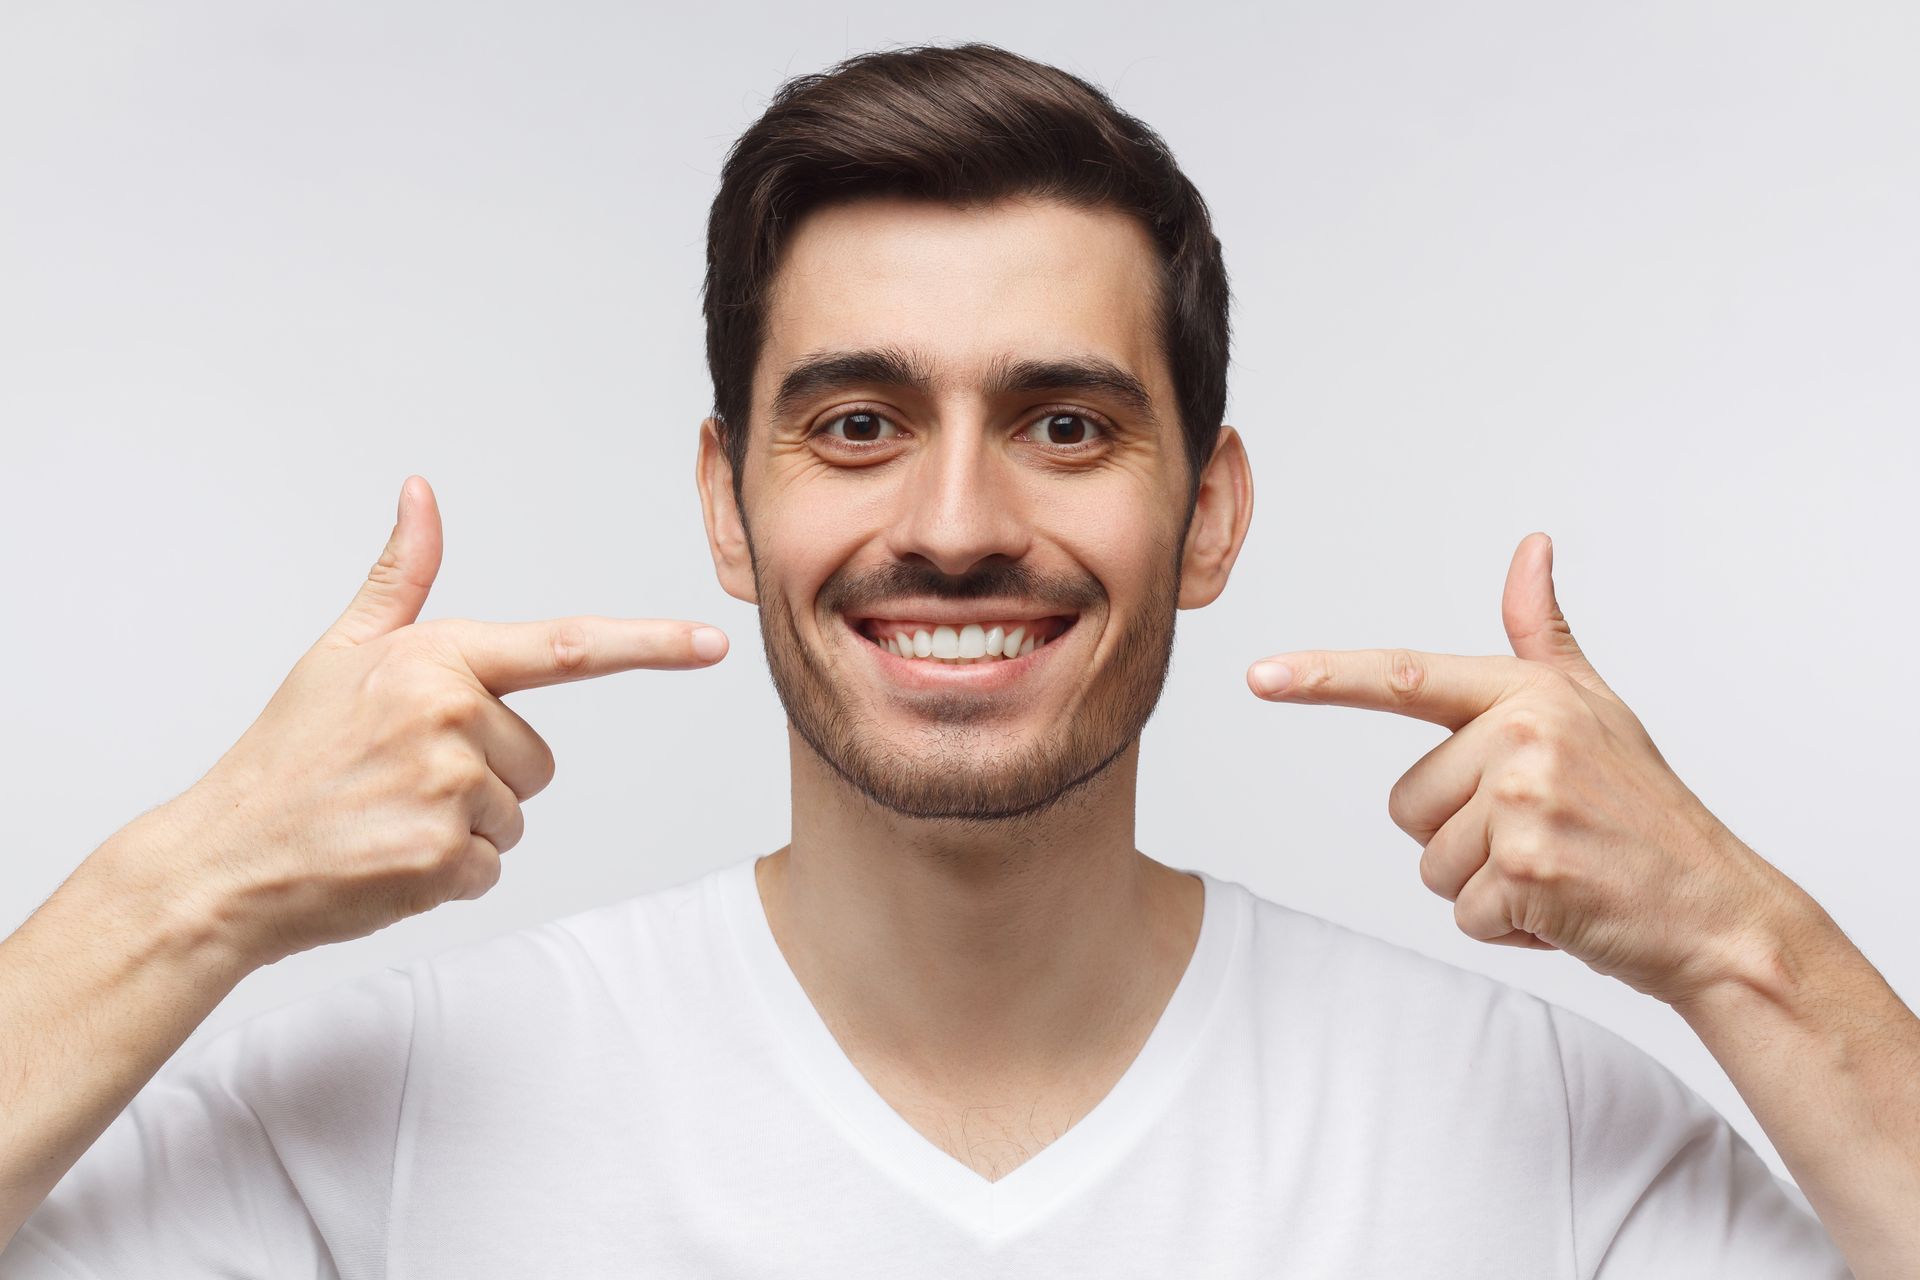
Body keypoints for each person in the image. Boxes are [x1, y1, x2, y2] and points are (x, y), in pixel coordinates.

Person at [0, 41, 1911, 1279]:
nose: (957, 520)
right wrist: (193, 888)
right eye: (853, 424)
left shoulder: (1543, 1137)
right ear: (728, 509)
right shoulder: (392, 1117)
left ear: (1213, 511)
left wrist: (1744, 939)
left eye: (1068, 424)